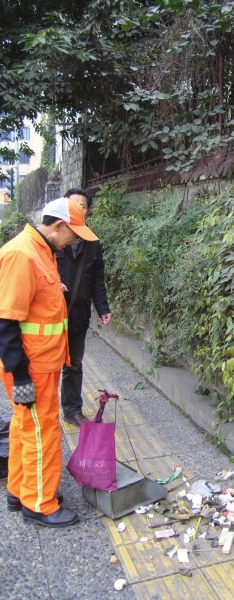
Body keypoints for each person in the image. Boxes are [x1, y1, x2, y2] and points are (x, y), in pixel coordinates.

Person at [0, 197, 99, 527]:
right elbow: (5, 320)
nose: (75, 241)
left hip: (40, 363)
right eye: (74, 234)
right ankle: (40, 503)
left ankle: (20, 490)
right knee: (43, 433)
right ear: (58, 226)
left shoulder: (41, 250)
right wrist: (20, 373)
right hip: (32, 367)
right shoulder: (22, 254)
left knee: (25, 427)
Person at [57, 188, 111, 427]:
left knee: (74, 363)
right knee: (45, 365)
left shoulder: (93, 243)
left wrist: (103, 308)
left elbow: (97, 279)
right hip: (49, 316)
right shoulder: (51, 239)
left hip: (78, 315)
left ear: (88, 212)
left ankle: (72, 409)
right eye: (72, 205)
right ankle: (42, 410)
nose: (78, 210)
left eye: (83, 206)